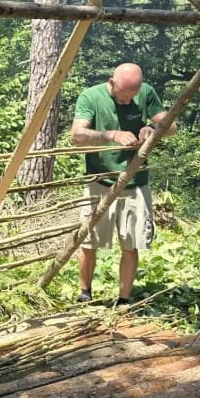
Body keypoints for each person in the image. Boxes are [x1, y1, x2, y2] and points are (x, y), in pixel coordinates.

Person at [70, 63, 175, 305]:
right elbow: (77, 136)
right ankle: (85, 292)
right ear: (111, 83)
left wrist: (153, 129)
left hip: (136, 182)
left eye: (132, 96)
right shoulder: (91, 96)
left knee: (131, 243)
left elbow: (171, 127)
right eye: (124, 96)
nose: (128, 101)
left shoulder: (146, 93)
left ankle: (124, 299)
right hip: (100, 180)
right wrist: (111, 135)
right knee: (88, 241)